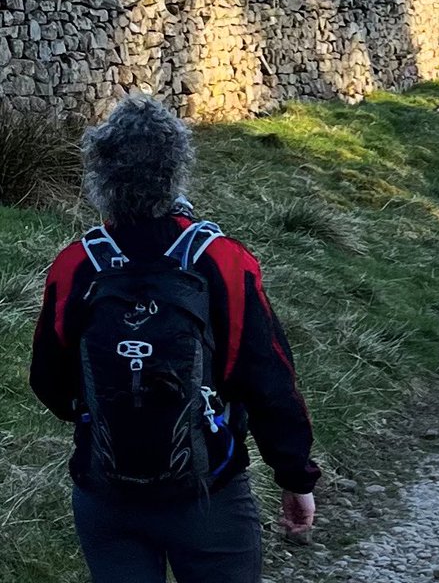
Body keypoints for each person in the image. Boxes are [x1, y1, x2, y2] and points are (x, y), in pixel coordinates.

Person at [30, 94, 320, 583]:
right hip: (209, 493)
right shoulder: (224, 261)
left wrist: (115, 410)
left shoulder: (75, 264)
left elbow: (46, 380)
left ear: (100, 175)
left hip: (106, 492)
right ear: (176, 170)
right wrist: (295, 477)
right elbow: (270, 380)